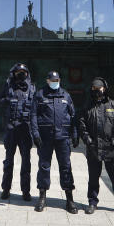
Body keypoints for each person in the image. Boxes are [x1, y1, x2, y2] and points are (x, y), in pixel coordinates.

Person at [77, 77, 114, 215]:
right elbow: (82, 126)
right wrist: (88, 141)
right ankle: (92, 202)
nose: (96, 92)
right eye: (93, 89)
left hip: (111, 149)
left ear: (104, 89)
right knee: (93, 177)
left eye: (98, 89)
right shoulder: (87, 107)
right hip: (94, 148)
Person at [31, 70, 78, 214]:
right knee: (44, 167)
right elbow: (33, 115)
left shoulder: (66, 95)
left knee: (66, 166)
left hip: (63, 138)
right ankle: (42, 197)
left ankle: (69, 199)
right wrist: (36, 134)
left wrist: (75, 134)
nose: (55, 82)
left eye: (57, 80)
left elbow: (73, 115)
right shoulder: (40, 95)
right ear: (47, 81)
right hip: (45, 138)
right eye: (52, 80)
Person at [0, 62, 36, 201]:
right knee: (8, 162)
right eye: (18, 71)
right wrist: (7, 100)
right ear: (13, 73)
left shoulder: (32, 88)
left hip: (25, 130)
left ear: (27, 73)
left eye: (23, 72)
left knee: (26, 162)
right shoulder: (8, 86)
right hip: (11, 129)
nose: (21, 74)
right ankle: (6, 189)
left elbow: (36, 110)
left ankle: (26, 191)